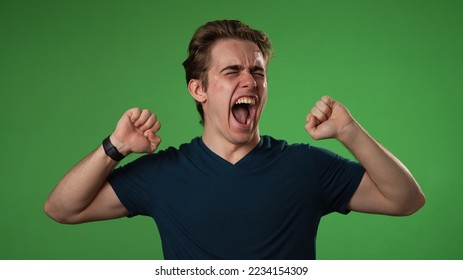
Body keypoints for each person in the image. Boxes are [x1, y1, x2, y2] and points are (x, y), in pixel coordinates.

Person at [44, 19, 425, 259]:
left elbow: (406, 200)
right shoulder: (164, 174)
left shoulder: (305, 166)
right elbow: (62, 209)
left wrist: (350, 132)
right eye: (232, 71)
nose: (250, 81)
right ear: (199, 89)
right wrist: (116, 147)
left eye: (257, 72)